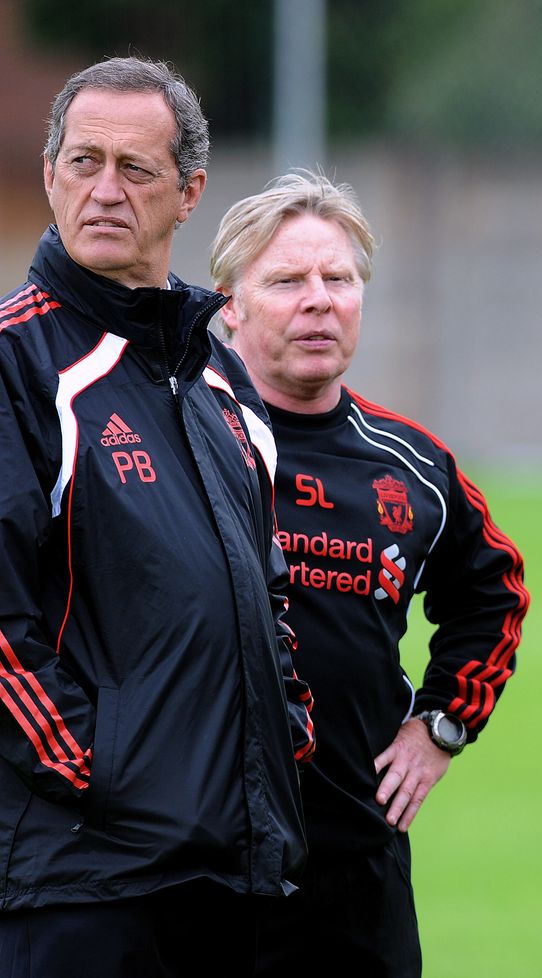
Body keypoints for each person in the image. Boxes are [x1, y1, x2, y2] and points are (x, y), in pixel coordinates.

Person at [0, 58, 315, 978]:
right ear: (49, 174)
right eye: (83, 162)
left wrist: (285, 732)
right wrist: (105, 775)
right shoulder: (18, 366)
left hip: (227, 869)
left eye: (135, 170)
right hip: (79, 883)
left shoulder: (221, 382)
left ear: (190, 193)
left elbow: (265, 589)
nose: (105, 191)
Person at [209, 171, 529, 978]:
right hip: (192, 862)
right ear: (229, 304)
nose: (319, 300)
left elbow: (496, 592)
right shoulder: (179, 438)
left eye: (339, 279)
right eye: (286, 280)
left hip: (355, 866)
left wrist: (443, 724)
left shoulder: (412, 467)